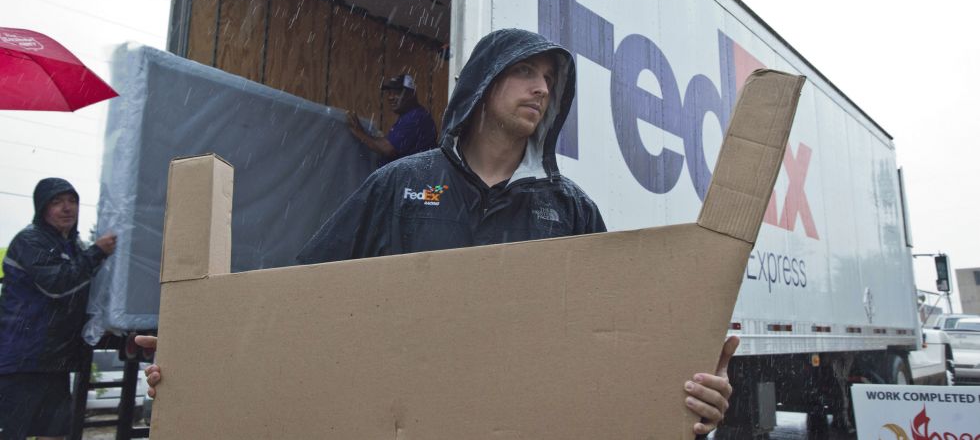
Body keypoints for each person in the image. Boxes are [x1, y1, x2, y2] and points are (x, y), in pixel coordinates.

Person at [138, 28, 736, 435]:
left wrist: (693, 396)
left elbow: (618, 338)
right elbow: (299, 301)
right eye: (525, 72)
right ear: (482, 84)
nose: (542, 89)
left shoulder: (570, 209)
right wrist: (207, 351)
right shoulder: (399, 186)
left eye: (549, 79)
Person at [0, 178, 116, 440]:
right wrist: (97, 253)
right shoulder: (30, 240)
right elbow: (57, 284)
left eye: (72, 201)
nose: (67, 208)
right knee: (15, 433)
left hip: (54, 362)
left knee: (54, 433)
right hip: (22, 361)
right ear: (42, 208)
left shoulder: (74, 247)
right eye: (57, 202)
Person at [346, 73, 437, 167]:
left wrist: (359, 133)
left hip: (411, 180)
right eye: (389, 93)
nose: (390, 97)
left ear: (411, 94)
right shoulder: (411, 115)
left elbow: (388, 149)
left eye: (397, 93)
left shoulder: (416, 117)